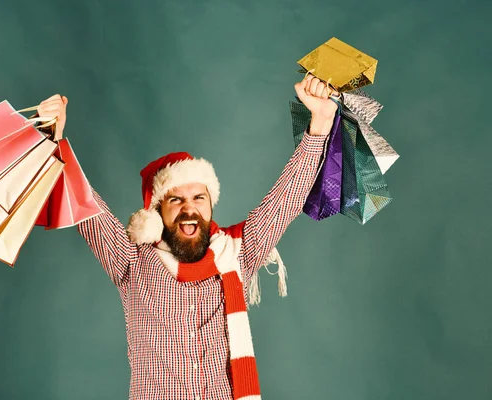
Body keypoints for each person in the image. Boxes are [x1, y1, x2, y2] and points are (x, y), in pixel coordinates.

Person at [36, 74, 337, 400]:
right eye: (175, 200)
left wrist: (320, 122)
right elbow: (85, 205)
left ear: (210, 206)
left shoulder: (236, 253)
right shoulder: (131, 261)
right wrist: (52, 140)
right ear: (157, 212)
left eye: (199, 198)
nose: (189, 209)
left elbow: (285, 200)